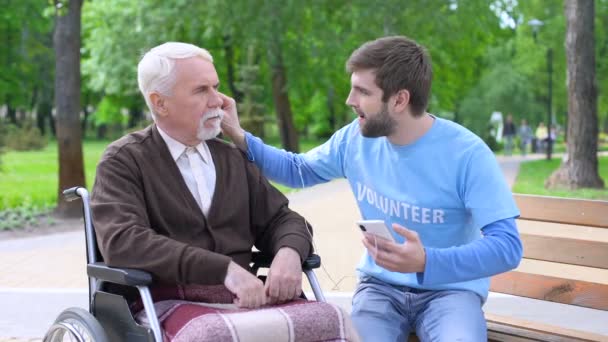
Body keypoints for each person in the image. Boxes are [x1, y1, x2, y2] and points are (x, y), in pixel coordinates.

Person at [221, 36, 522, 341]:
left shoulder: (467, 154)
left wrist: (427, 261)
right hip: (380, 290)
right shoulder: (354, 140)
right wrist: (238, 134)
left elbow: (507, 247)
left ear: (399, 100)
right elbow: (298, 171)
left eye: (363, 91)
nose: (350, 100)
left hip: (451, 293)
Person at [90, 42, 313, 310]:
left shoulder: (232, 158)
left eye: (216, 87)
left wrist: (290, 251)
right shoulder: (123, 161)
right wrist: (224, 270)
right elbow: (124, 242)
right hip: (165, 300)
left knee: (331, 321)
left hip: (246, 299)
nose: (217, 101)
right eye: (200, 90)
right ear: (159, 103)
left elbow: (282, 219)